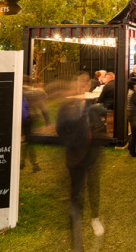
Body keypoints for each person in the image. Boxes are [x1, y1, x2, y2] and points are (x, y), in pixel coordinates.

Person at [56, 76, 105, 250]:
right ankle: (77, 243)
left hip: (91, 155)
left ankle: (95, 217)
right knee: (76, 195)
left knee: (93, 188)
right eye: (79, 83)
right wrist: (74, 144)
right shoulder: (66, 106)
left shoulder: (88, 104)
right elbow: (60, 130)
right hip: (76, 156)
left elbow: (98, 127)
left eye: (85, 83)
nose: (82, 86)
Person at [21, 77, 50, 172]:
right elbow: (43, 105)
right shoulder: (35, 92)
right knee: (28, 140)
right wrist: (47, 120)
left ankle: (29, 163)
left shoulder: (18, 90)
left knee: (26, 140)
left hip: (19, 119)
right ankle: (32, 164)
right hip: (30, 118)